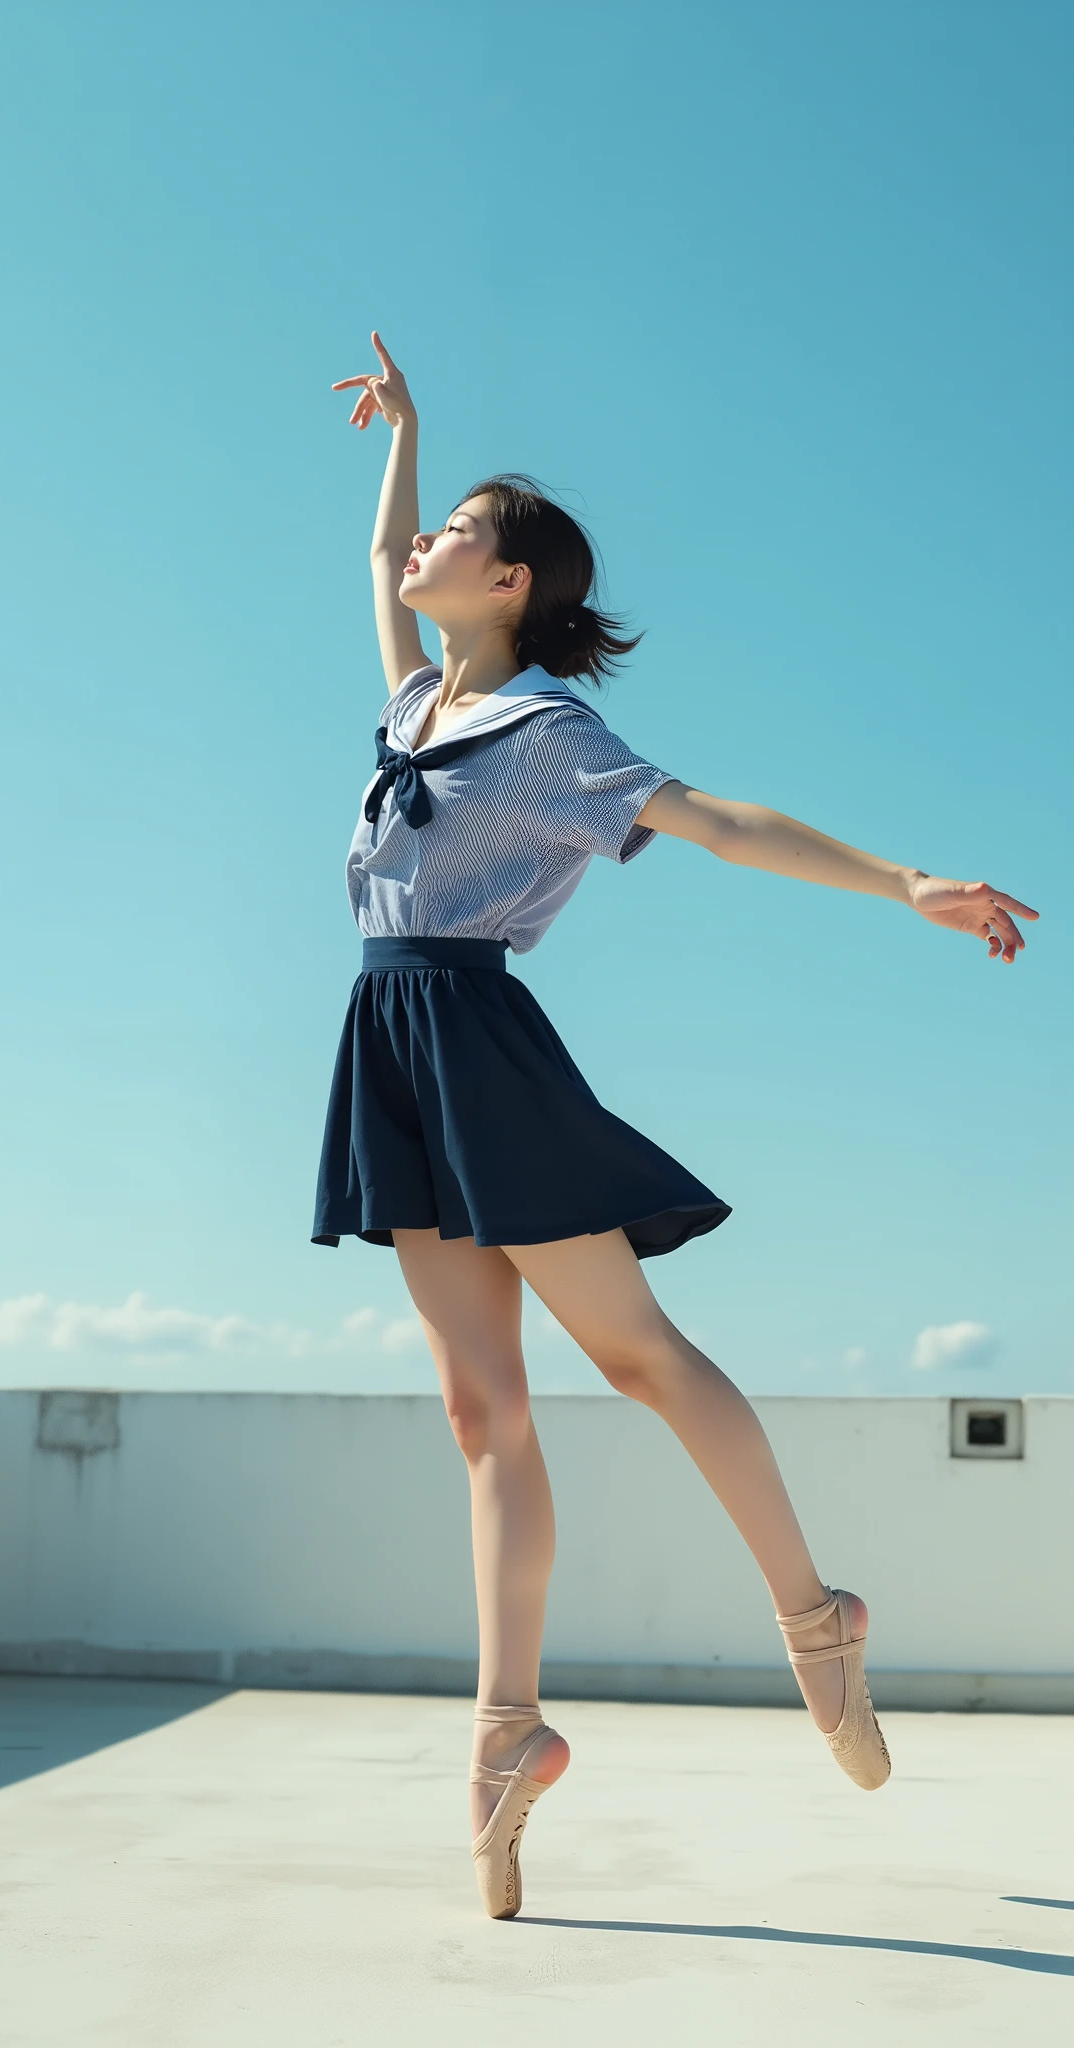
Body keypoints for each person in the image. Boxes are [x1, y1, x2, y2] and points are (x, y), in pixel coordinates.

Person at [313, 333, 1038, 1921]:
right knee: (477, 1418)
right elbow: (378, 545)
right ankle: (507, 1735)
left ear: (511, 584)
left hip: (479, 1044)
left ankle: (814, 1615)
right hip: (387, 1047)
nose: (426, 547)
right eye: (436, 528)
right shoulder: (414, 704)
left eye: (458, 534)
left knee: (635, 1355)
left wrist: (904, 881)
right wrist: (411, 433)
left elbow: (712, 823)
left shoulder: (551, 738)